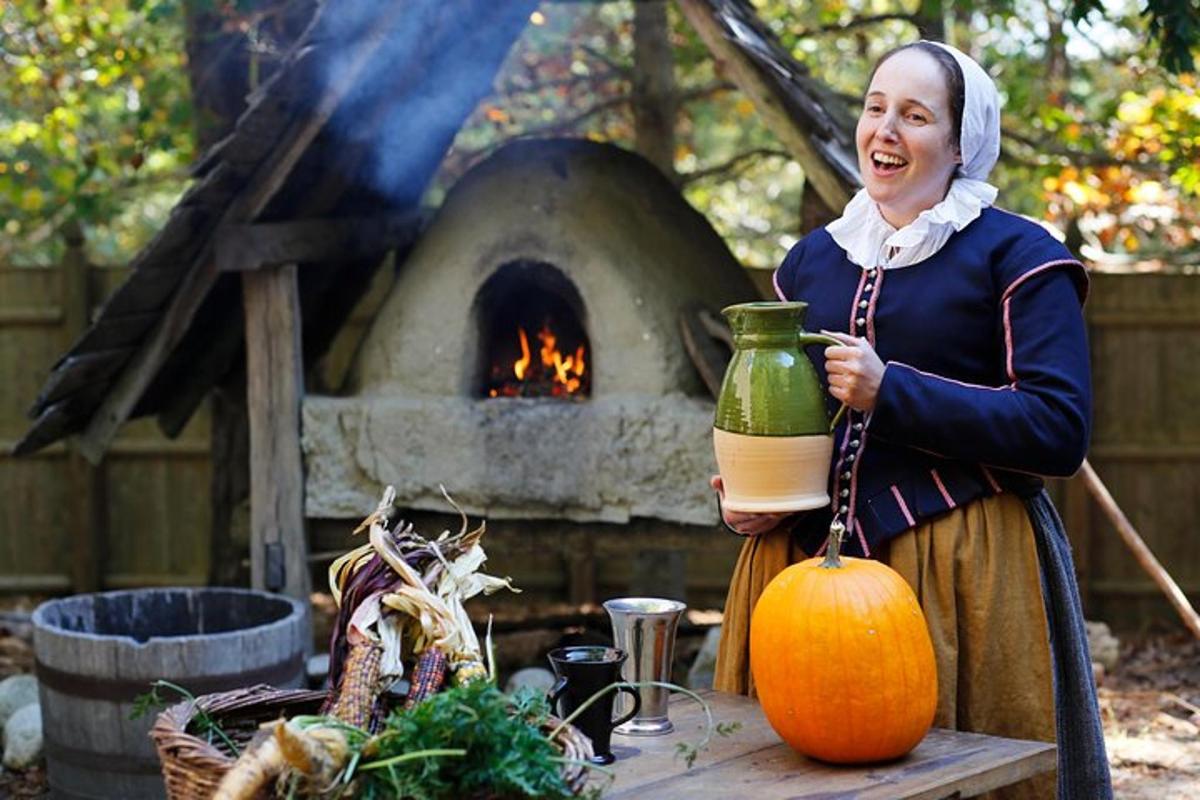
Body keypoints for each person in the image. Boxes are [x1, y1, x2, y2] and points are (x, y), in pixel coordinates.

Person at [711, 41, 1112, 800]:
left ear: (962, 144)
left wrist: (890, 390)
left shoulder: (1019, 257)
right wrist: (745, 498)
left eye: (916, 116)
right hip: (797, 578)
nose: (885, 130)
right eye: (875, 108)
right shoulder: (811, 262)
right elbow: (777, 420)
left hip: (960, 566)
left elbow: (1058, 429)